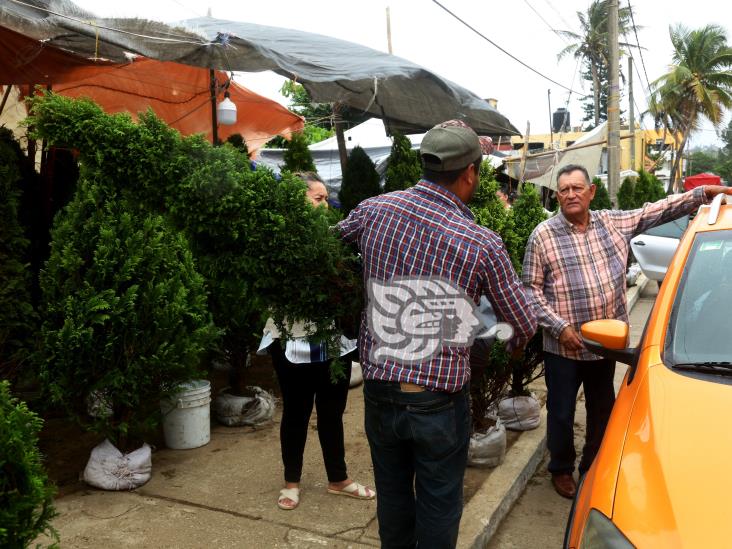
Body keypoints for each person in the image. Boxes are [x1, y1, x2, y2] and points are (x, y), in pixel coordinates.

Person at [337, 121, 536, 548]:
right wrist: (514, 347)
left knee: (392, 499)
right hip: (437, 403)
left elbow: (328, 248)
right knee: (440, 503)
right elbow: (521, 322)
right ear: (469, 174)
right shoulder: (481, 242)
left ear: (424, 164)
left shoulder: (373, 210)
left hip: (379, 391)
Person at [522, 163, 732, 499]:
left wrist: (702, 194)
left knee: (602, 407)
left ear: (591, 193)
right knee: (561, 413)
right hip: (562, 346)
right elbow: (529, 290)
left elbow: (656, 210)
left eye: (578, 188)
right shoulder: (542, 236)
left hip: (605, 344)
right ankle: (560, 469)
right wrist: (560, 328)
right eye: (564, 190)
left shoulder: (612, 223)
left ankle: (592, 465)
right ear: (557, 196)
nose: (571, 194)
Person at [258, 171, 374, 511]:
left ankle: (338, 478)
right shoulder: (276, 243)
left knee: (332, 412)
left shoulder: (333, 239)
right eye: (318, 199)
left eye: (326, 199)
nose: (325, 206)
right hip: (289, 340)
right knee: (295, 412)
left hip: (332, 341)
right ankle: (291, 482)